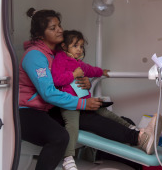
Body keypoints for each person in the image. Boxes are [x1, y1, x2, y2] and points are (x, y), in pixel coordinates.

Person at [19, 8, 162, 170]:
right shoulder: (35, 56)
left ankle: (139, 137)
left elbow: (63, 80)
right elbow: (48, 93)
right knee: (59, 137)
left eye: (59, 26)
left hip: (49, 109)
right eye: (53, 28)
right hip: (28, 112)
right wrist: (82, 103)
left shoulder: (56, 55)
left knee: (91, 116)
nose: (60, 30)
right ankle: (138, 137)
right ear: (40, 34)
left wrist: (84, 82)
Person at [52, 29, 138, 168]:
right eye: (75, 46)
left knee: (105, 112)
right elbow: (56, 80)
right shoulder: (60, 59)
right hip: (70, 103)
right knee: (71, 125)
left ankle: (131, 127)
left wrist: (101, 72)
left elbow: (89, 69)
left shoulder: (78, 62)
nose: (79, 49)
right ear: (64, 46)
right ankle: (68, 158)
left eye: (81, 46)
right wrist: (74, 75)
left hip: (85, 102)